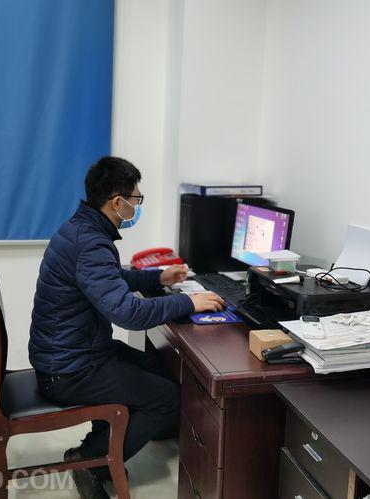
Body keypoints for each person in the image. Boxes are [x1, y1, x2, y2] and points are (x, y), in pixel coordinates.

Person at [29, 156, 224, 498]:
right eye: (137, 198)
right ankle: (91, 459)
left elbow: (111, 277)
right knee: (166, 398)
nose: (138, 205)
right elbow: (127, 313)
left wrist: (157, 277)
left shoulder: (82, 229)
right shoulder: (91, 242)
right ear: (117, 202)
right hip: (70, 369)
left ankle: (103, 441)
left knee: (158, 370)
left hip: (72, 353)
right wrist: (189, 303)